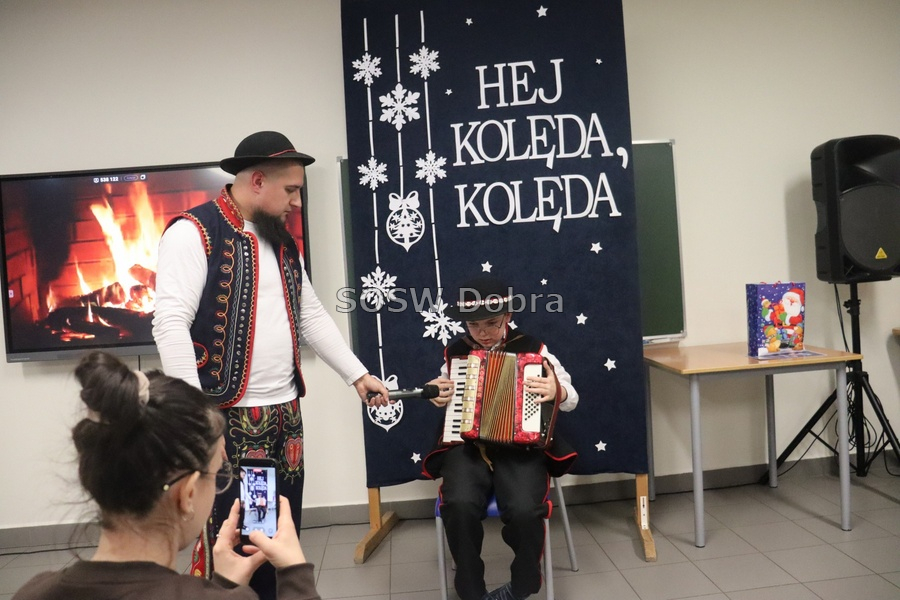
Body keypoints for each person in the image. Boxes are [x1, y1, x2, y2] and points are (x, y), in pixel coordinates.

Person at [151, 130, 389, 597]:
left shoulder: (280, 239)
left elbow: (309, 313)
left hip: (286, 416)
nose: (297, 202)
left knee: (280, 535)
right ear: (257, 181)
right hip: (232, 422)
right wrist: (195, 417)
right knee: (242, 543)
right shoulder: (193, 233)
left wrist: (356, 374)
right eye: (291, 190)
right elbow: (170, 323)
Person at [13, 350, 319, 600]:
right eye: (217, 474)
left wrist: (223, 586)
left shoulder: (33, 591)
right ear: (188, 494)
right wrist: (295, 572)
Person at [421, 276, 579, 600]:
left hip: (520, 447)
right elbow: (447, 389)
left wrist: (557, 390)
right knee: (459, 504)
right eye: (473, 325)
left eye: (491, 323)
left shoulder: (533, 348)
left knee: (524, 509)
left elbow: (571, 397)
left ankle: (523, 584)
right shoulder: (457, 353)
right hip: (468, 446)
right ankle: (471, 590)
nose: (482, 333)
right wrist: (440, 393)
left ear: (507, 315)